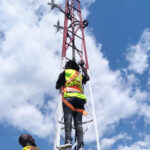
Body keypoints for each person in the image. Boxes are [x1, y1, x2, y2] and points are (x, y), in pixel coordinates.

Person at [56, 60, 90, 150]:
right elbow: (87, 78)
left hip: (69, 98)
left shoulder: (65, 73)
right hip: (80, 100)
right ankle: (81, 145)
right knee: (78, 123)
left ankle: (68, 141)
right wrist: (83, 66)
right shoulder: (79, 75)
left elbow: (57, 86)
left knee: (68, 117)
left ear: (68, 66)